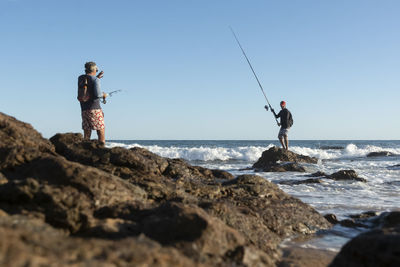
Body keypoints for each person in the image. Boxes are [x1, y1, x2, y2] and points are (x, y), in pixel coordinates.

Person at [78, 62, 107, 144]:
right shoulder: (95, 80)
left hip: (84, 109)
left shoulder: (80, 78)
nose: (96, 71)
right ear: (94, 69)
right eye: (96, 70)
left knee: (87, 133)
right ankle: (102, 150)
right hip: (95, 109)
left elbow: (87, 86)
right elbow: (97, 94)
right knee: (100, 131)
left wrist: (97, 77)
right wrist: (104, 95)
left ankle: (85, 150)